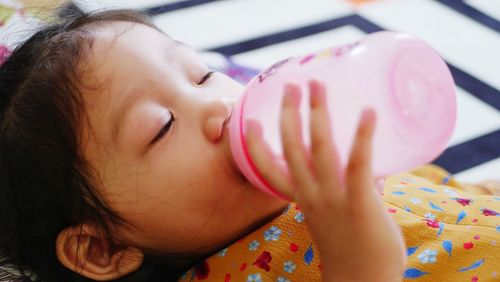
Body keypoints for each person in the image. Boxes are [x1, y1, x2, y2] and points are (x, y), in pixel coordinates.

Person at [0, 9, 497, 282]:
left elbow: (442, 193)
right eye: (163, 126)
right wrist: (361, 266)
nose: (219, 108)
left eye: (202, 74)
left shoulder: (324, 168)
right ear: (102, 247)